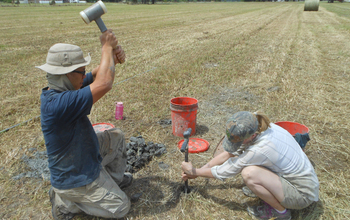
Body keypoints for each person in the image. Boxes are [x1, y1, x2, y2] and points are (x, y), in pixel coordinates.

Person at [36, 29, 131, 220]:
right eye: (82, 71)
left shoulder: (66, 87)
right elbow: (104, 82)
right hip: (75, 178)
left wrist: (112, 57)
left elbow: (97, 75)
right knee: (122, 207)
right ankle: (66, 203)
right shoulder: (58, 104)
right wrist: (106, 46)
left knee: (117, 137)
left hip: (84, 156)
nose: (84, 75)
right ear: (67, 74)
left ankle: (112, 183)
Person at [181, 111, 319, 220]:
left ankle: (281, 213)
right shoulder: (255, 124)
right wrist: (200, 169)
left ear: (251, 136)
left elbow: (225, 171)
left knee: (249, 173)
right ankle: (272, 192)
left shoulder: (260, 149)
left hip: (302, 193)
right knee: (250, 166)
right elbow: (230, 153)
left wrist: (195, 172)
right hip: (296, 179)